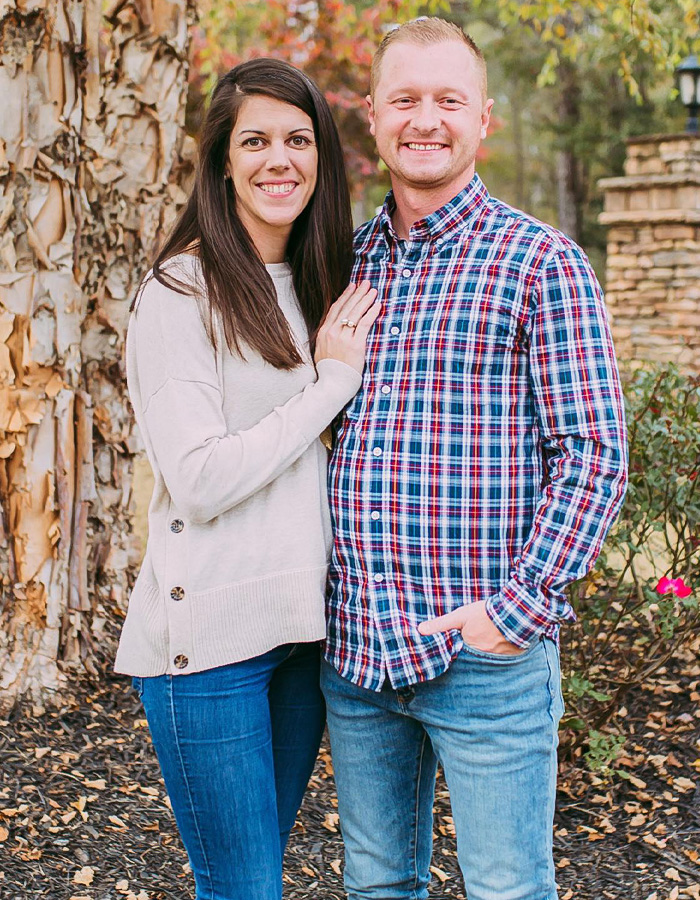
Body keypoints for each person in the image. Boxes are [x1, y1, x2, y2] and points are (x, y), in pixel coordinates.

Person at [321, 18, 628, 900]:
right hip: (360, 656)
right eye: (406, 99)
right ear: (373, 117)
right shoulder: (344, 262)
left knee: (507, 890)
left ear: (484, 118)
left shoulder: (541, 263)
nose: (427, 119)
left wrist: (516, 611)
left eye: (448, 99)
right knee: (378, 884)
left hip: (485, 661)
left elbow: (595, 451)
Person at [114, 58, 379, 900]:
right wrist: (330, 384)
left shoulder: (317, 282)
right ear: (222, 159)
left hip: (302, 639)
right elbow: (197, 478)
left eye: (298, 140)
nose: (279, 160)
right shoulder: (180, 293)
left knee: (253, 878)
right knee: (244, 888)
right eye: (254, 140)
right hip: (210, 651)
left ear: (321, 158)